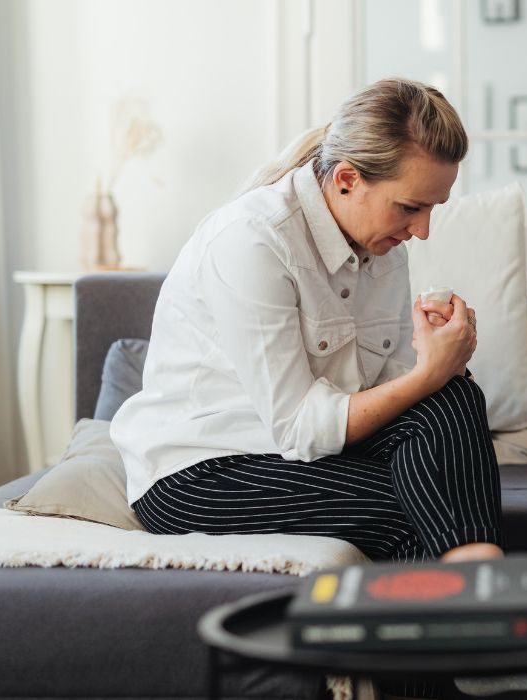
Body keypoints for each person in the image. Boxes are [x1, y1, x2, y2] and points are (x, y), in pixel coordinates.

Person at [112, 78, 503, 568]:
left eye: (432, 209)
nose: (421, 231)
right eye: (410, 207)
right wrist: (428, 374)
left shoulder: (382, 244)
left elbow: (393, 391)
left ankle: (480, 585)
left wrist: (442, 359)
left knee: (455, 396)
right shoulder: (253, 241)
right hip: (200, 469)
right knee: (411, 508)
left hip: (307, 456)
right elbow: (299, 427)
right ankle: (479, 601)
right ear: (346, 180)